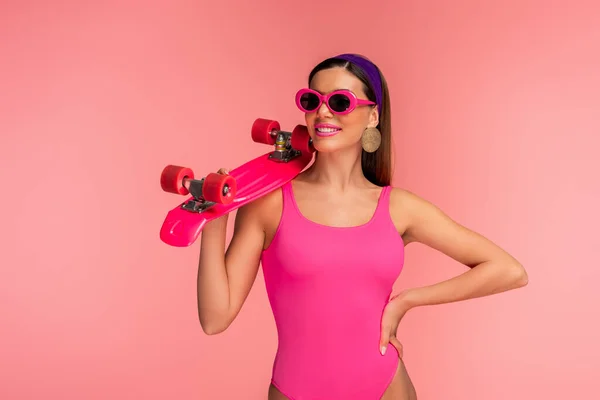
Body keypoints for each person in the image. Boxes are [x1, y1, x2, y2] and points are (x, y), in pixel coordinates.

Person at [196, 53, 529, 400]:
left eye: (340, 102)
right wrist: (214, 221)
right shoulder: (269, 204)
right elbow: (215, 319)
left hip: (388, 388)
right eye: (312, 101)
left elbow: (509, 270)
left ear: (372, 116)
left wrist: (407, 301)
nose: (322, 112)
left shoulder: (400, 207)